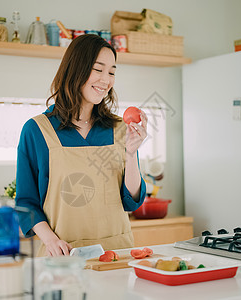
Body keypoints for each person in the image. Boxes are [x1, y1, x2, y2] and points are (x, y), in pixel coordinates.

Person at [15, 34, 147, 257]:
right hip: (64, 254)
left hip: (117, 254)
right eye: (98, 69)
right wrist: (51, 240)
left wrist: (131, 154)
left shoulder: (119, 128)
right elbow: (26, 203)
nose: (106, 80)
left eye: (112, 72)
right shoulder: (37, 130)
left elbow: (131, 201)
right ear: (75, 69)